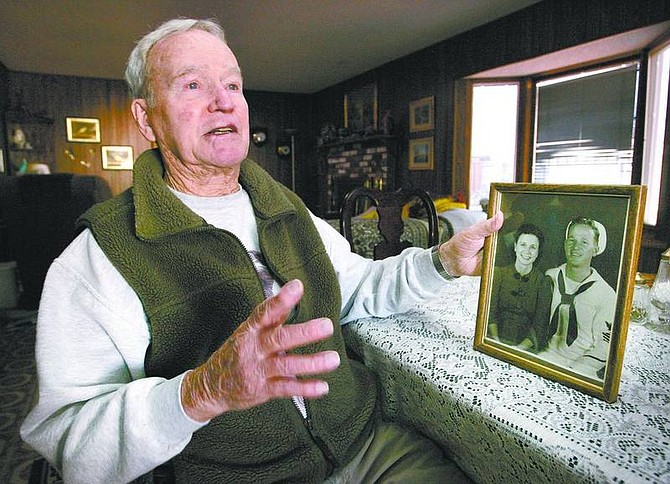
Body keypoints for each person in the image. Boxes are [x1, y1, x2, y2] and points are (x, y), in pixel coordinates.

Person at [20, 18, 503, 483]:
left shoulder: (286, 207)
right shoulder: (96, 257)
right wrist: (199, 392)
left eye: (233, 86)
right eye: (192, 86)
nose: (222, 103)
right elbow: (71, 440)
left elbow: (355, 286)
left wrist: (441, 261)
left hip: (364, 445)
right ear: (147, 119)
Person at [540, 217, 616, 380]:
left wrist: (573, 372)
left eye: (584, 242)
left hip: (581, 368)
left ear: (595, 249)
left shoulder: (606, 294)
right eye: (571, 240)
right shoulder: (550, 277)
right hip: (543, 356)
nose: (575, 247)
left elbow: (604, 346)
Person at [487, 223, 552, 351]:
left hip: (525, 348)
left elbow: (539, 327)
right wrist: (496, 342)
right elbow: (490, 313)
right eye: (523, 245)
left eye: (533, 247)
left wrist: (518, 350)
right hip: (493, 340)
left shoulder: (543, 283)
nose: (527, 251)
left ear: (538, 252)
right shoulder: (498, 274)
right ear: (515, 247)